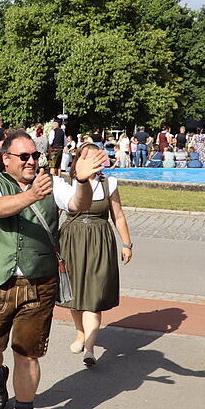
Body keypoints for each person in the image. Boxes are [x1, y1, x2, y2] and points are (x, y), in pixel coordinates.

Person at [0, 130, 105, 409]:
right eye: (24, 156)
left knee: (27, 354)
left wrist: (83, 182)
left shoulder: (52, 183)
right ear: (6, 159)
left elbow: (77, 204)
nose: (32, 161)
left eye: (35, 155)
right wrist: (31, 195)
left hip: (40, 282)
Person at [58, 144, 133, 366]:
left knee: (94, 294)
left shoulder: (109, 184)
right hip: (71, 241)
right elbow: (54, 213)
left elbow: (118, 216)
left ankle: (89, 349)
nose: (93, 162)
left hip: (99, 242)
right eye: (87, 157)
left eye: (96, 158)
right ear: (78, 161)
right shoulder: (66, 183)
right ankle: (80, 333)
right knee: (74, 292)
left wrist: (127, 244)